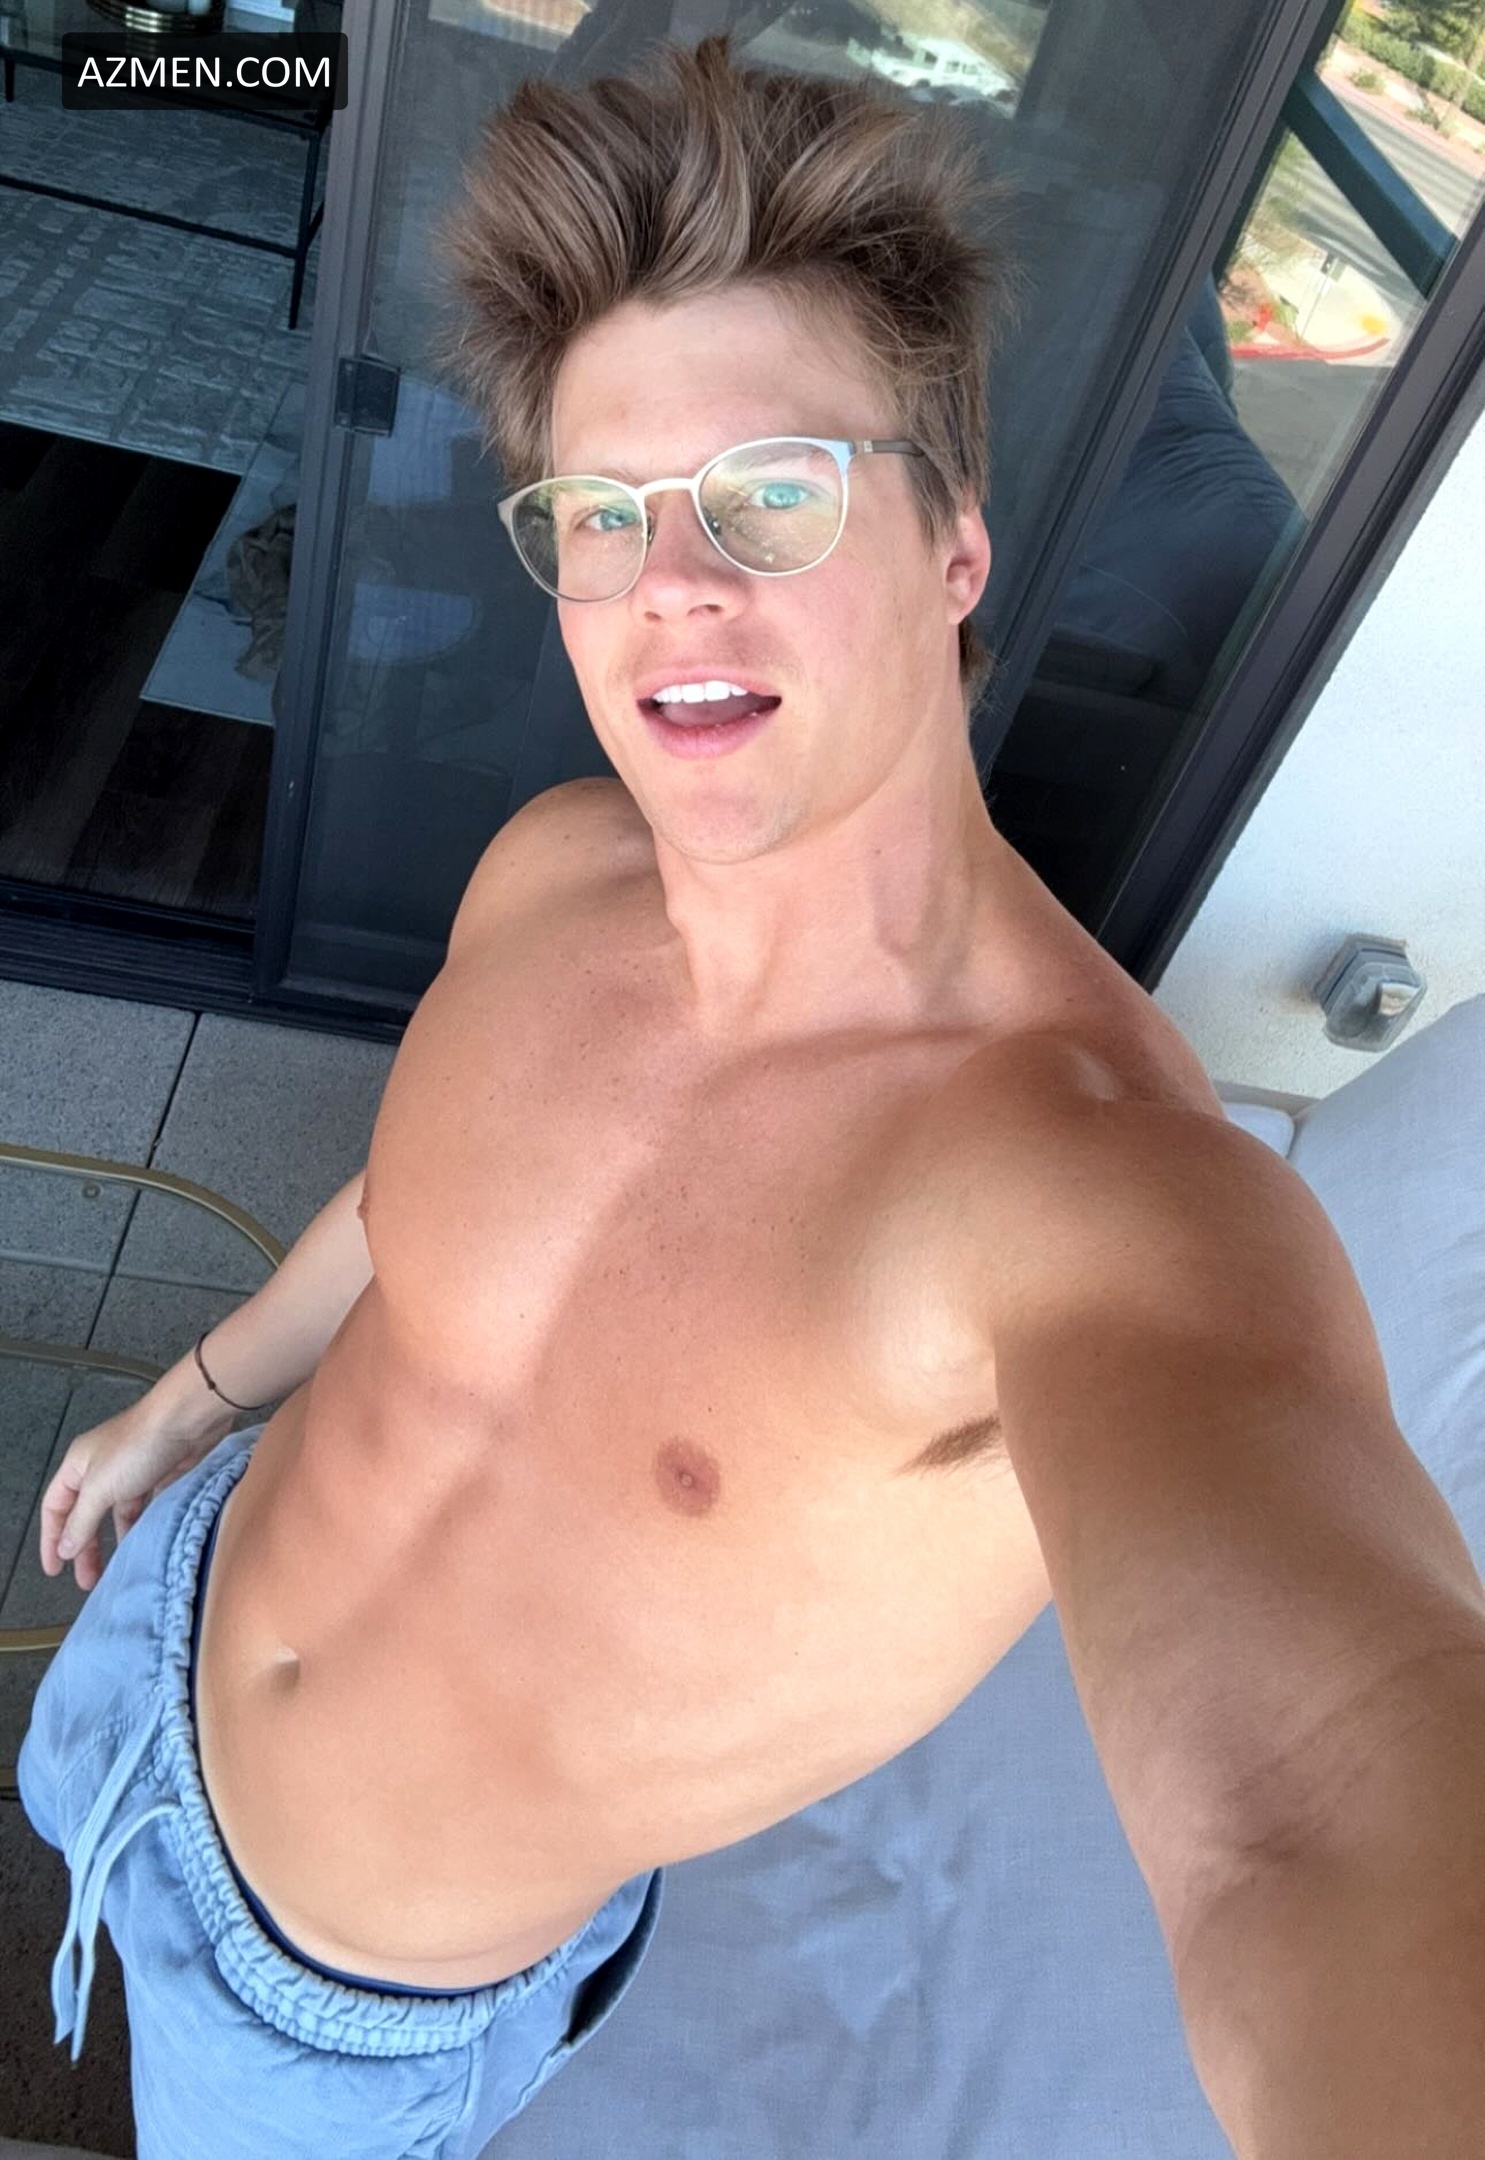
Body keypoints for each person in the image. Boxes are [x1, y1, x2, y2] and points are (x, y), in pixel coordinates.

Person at [20, 34, 1485, 2160]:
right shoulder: (553, 868)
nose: (669, 585)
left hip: (335, 2015)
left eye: (768, 493)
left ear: (952, 546)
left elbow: (1310, 1824)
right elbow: (417, 1215)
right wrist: (189, 1401)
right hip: (152, 1642)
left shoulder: (1087, 1186)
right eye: (599, 515)